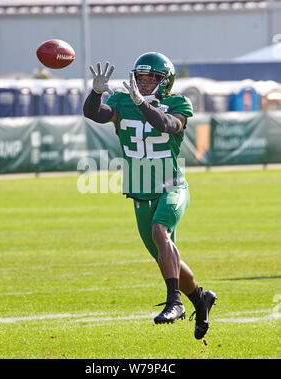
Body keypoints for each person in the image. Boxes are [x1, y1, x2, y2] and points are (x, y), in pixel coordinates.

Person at [83, 52, 217, 340]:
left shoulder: (179, 103)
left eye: (151, 79)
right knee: (166, 257)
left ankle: (175, 303)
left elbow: (166, 125)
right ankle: (200, 301)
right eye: (141, 78)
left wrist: (141, 103)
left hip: (171, 185)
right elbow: (94, 113)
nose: (143, 84)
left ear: (165, 82)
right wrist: (95, 93)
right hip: (140, 189)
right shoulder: (122, 101)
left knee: (160, 231)